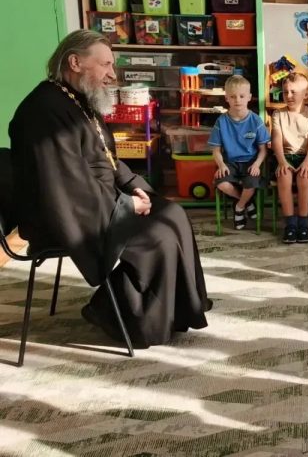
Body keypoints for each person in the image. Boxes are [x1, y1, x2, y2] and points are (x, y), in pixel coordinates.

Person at [9, 30, 211, 348]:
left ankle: (181, 310)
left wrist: (138, 190)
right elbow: (66, 185)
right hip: (64, 214)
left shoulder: (77, 99)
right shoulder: (43, 112)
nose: (112, 75)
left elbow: (108, 160)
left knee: (171, 212)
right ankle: (112, 311)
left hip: (99, 199)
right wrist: (127, 207)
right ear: (75, 62)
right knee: (156, 235)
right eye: (105, 64)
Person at [209, 75, 270, 230]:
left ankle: (239, 207)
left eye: (242, 96)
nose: (237, 100)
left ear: (249, 97)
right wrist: (221, 165)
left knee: (251, 183)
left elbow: (263, 149)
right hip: (230, 162)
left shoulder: (256, 121)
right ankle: (247, 202)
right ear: (226, 98)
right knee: (222, 183)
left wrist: (257, 164)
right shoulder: (221, 121)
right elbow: (215, 149)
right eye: (233, 96)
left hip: (250, 162)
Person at [272, 72, 308, 244]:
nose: (289, 95)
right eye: (285, 92)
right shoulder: (278, 114)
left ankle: (303, 222)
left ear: (305, 94)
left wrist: (307, 162)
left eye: (293, 92)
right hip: (285, 156)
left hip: (307, 157)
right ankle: (290, 223)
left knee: (304, 177)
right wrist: (282, 162)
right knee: (284, 176)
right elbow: (276, 140)